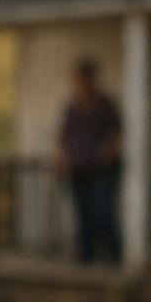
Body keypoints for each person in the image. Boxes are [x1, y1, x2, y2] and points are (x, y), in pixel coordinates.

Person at [57, 57, 122, 265]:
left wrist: (107, 150)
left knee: (102, 214)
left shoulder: (104, 104)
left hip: (102, 170)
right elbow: (62, 136)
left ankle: (113, 259)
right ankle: (86, 260)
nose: (80, 84)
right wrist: (63, 157)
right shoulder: (72, 107)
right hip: (78, 170)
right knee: (82, 217)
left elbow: (116, 131)